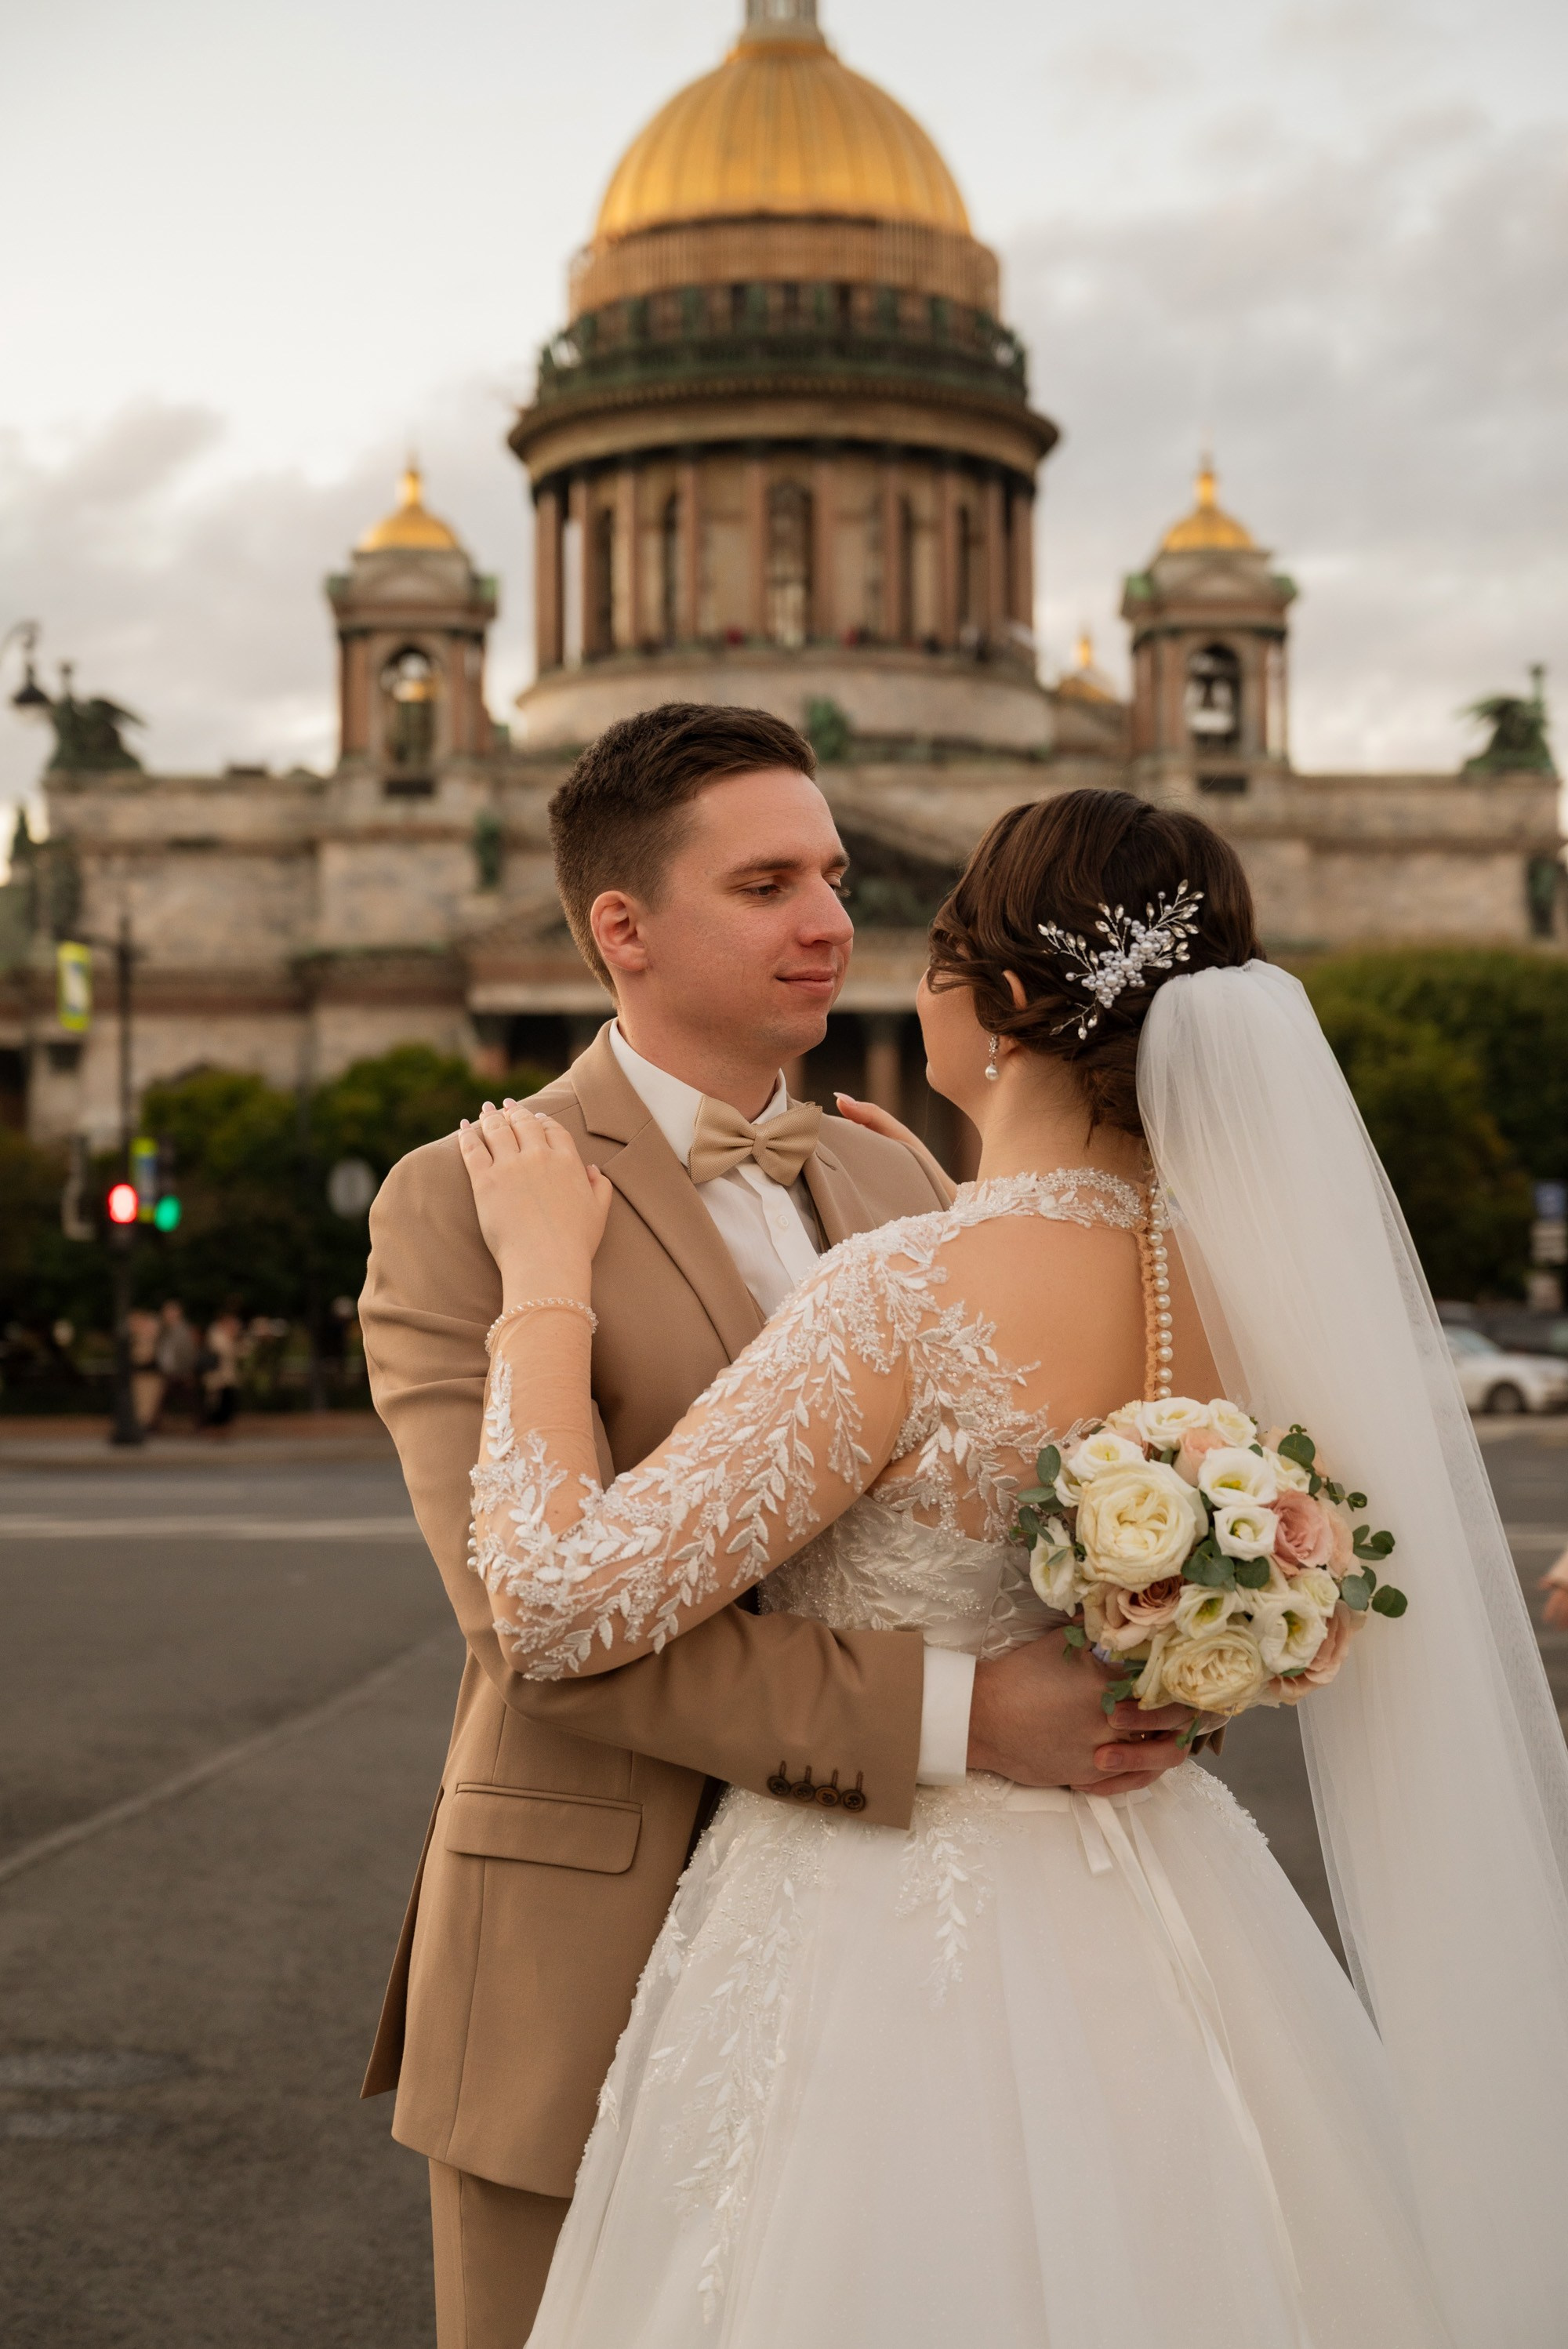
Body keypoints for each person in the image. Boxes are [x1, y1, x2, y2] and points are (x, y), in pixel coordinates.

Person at [457, 786, 1568, 2347]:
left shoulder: (905, 1286)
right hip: (1167, 1892)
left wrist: (542, 1288)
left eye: (927, 945)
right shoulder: (1232, 1274)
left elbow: (561, 1602)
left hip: (878, 1925)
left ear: (1000, 1002)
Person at [358, 710, 1195, 2348]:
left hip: (900, 1971)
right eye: (765, 882)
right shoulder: (467, 1196)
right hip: (581, 1950)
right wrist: (965, 1720)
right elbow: (531, 1640)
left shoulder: (900, 1188)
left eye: (831, 869)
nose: (833, 917)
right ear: (622, 929)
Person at [154, 1299, 199, 1430]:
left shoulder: (182, 1330)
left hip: (179, 1372)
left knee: (180, 1399)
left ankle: (154, 1425)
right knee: (167, 1399)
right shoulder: (167, 1330)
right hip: (171, 1371)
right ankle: (154, 1424)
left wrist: (186, 1370)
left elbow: (187, 1352)